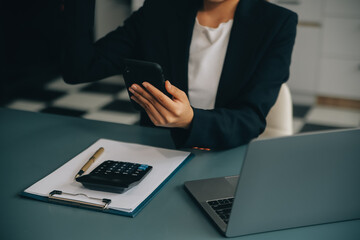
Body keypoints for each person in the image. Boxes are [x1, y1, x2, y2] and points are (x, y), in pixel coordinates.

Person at [62, 0, 298, 150]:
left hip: (227, 150)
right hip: (158, 149)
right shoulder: (159, 10)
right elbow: (80, 68)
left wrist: (190, 120)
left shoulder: (277, 23)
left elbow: (251, 119)